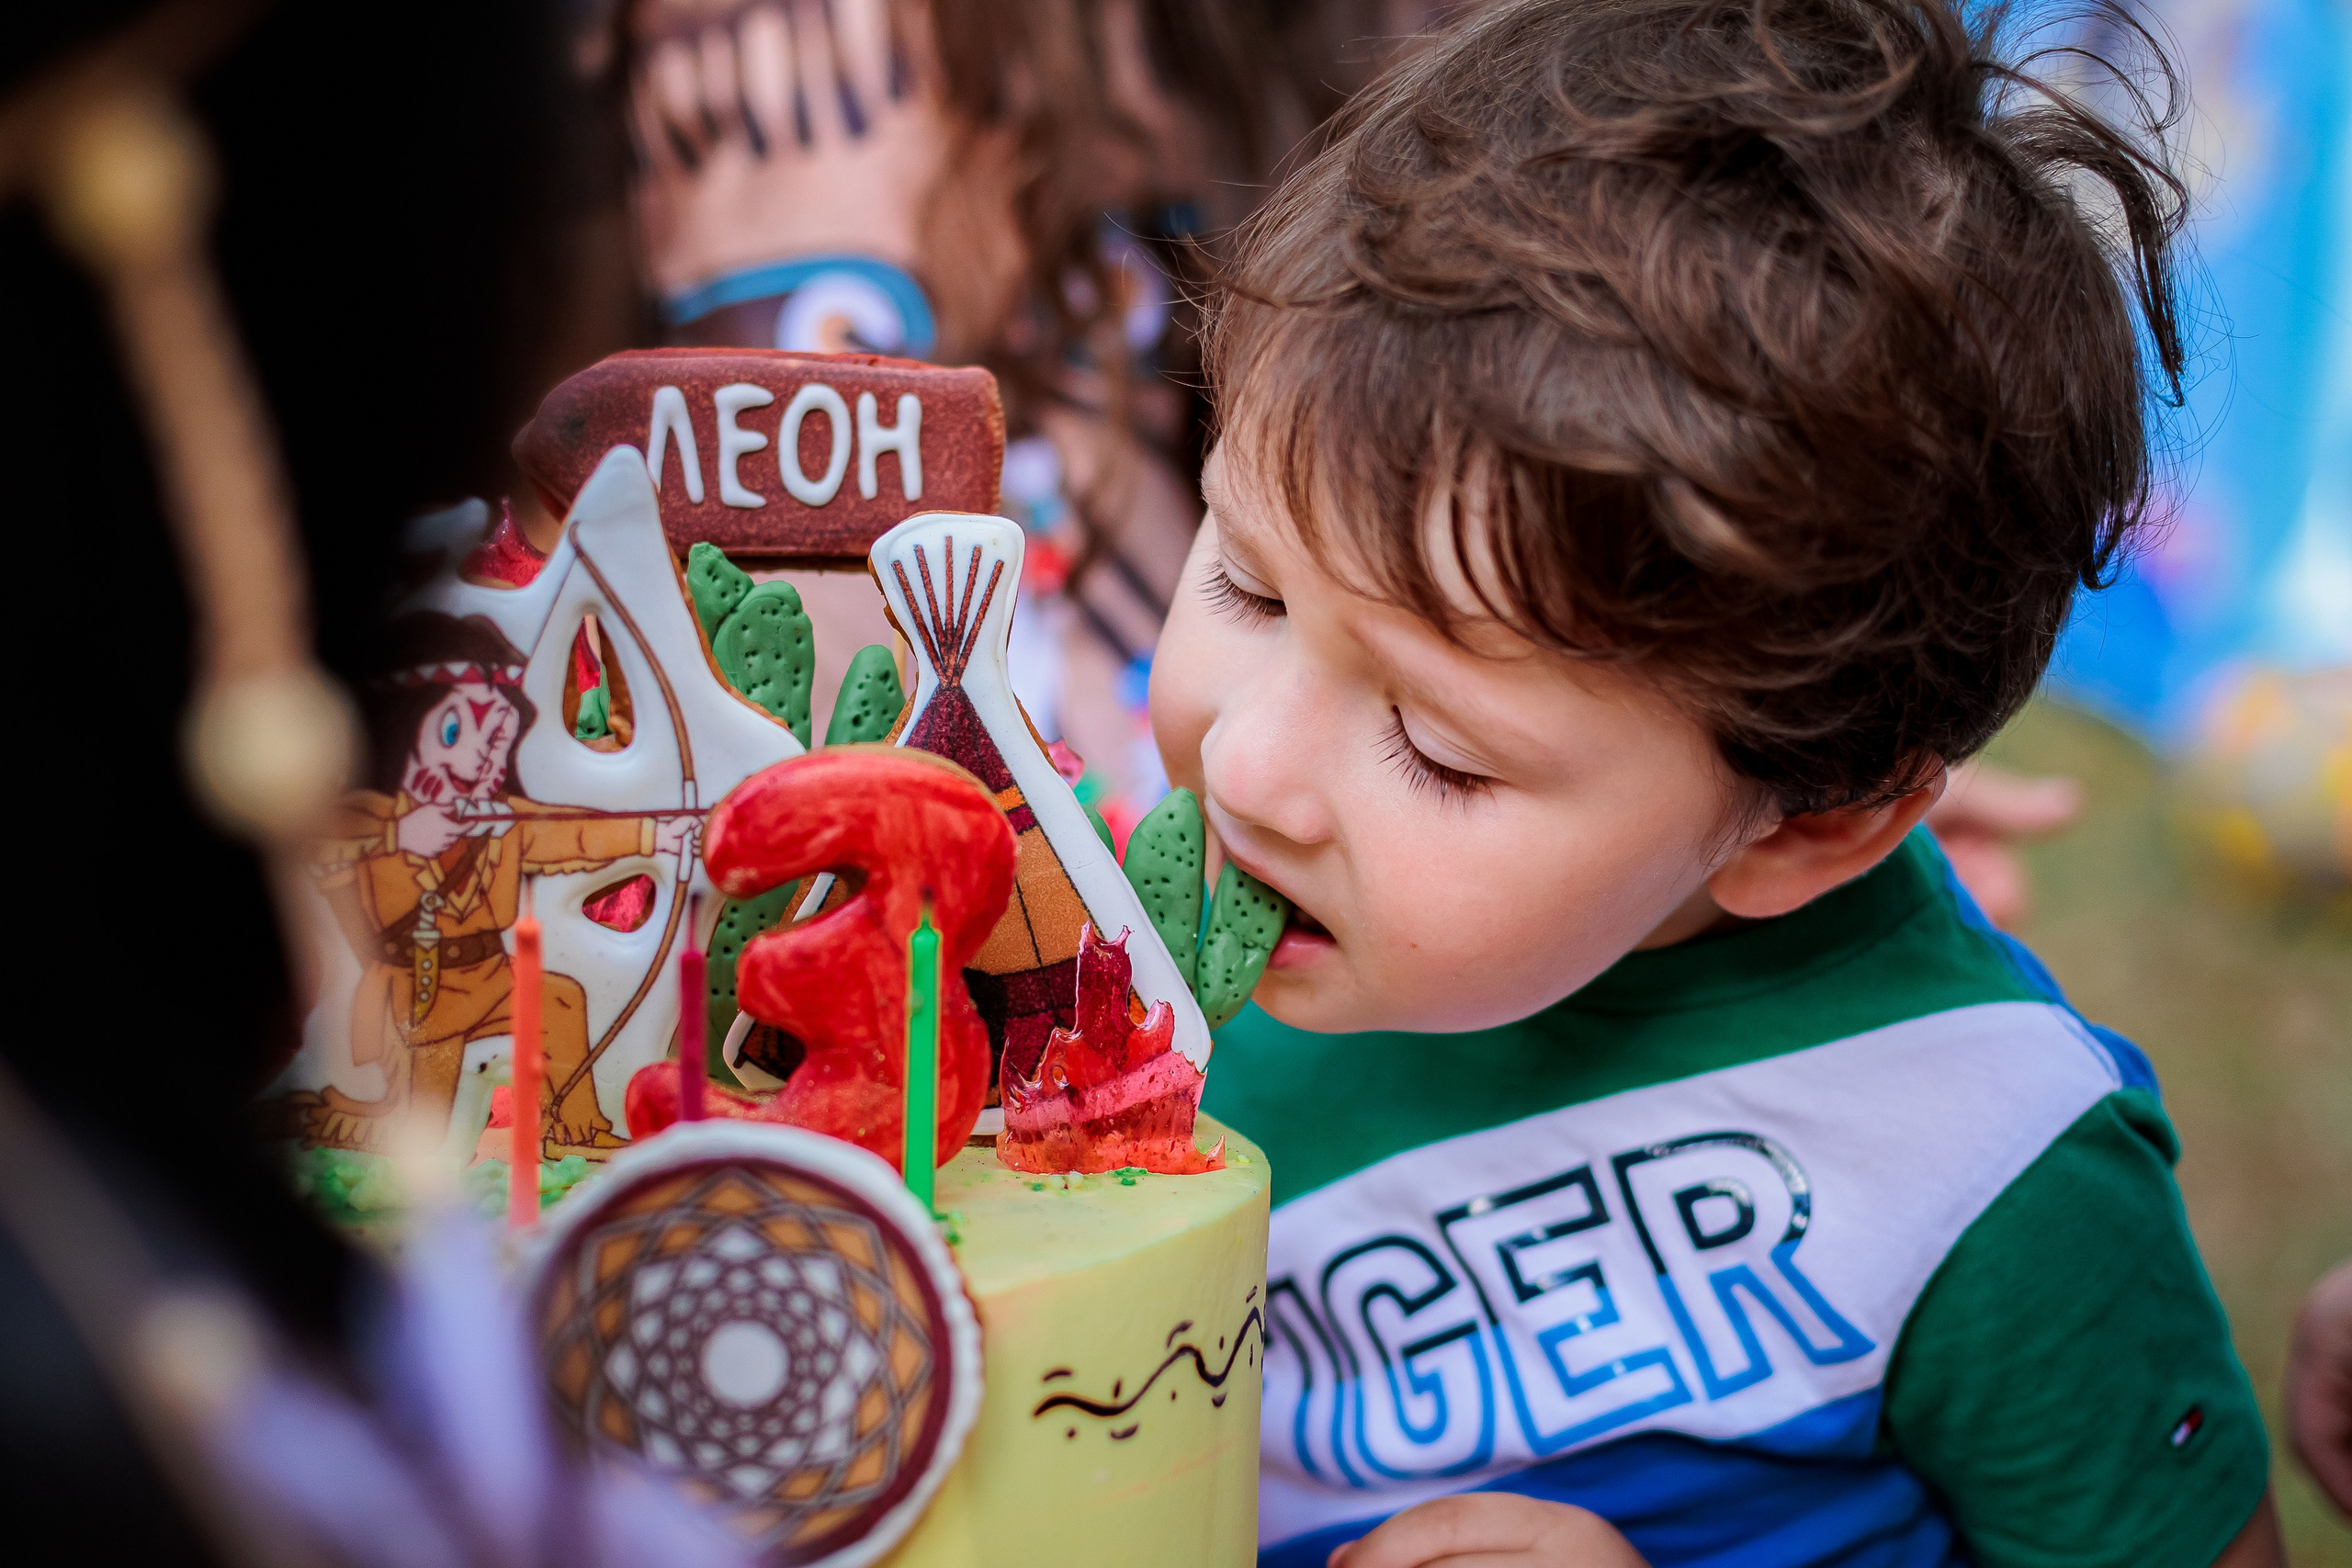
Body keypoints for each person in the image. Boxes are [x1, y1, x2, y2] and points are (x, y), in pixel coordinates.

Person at [1148, 0, 2283, 1563]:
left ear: (1810, 819)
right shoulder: (1099, 941)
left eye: (1441, 746)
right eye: (1248, 587)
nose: (1250, 768)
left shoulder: (1990, 1161)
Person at [289, 612, 696, 1156]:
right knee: (423, 1131)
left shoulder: (501, 819)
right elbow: (306, 842)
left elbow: (574, 835)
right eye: (457, 730)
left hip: (493, 978)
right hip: (417, 993)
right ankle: (360, 1130)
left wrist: (656, 835)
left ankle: (574, 1132)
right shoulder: (368, 815)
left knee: (563, 1003)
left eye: (496, 736)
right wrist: (399, 834)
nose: (481, 753)